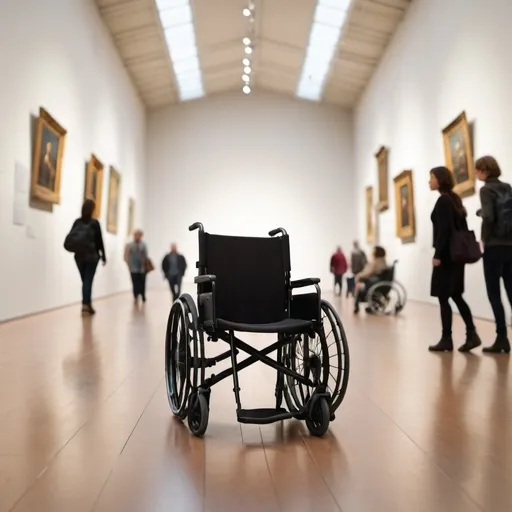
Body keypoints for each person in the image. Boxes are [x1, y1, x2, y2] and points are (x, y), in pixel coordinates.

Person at [428, 166, 481, 352]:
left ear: (440, 180)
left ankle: (447, 338)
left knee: (444, 297)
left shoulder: (443, 201)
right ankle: (471, 333)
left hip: (446, 257)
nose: (429, 181)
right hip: (456, 256)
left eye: (432, 177)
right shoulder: (455, 199)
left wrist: (437, 255)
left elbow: (445, 231)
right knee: (456, 295)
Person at [475, 155, 512, 353]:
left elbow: (489, 216)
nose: (475, 173)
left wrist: (484, 239)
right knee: (511, 290)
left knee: (494, 292)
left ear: (485, 171)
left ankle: (502, 338)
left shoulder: (486, 189)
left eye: (477, 169)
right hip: (510, 245)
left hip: (495, 246)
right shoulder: (508, 187)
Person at [71, 200, 106, 316]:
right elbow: (99, 241)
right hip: (91, 257)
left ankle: (88, 304)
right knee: (88, 281)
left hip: (79, 257)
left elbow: (71, 238)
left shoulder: (77, 222)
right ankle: (86, 305)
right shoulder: (95, 223)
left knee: (85, 281)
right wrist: (104, 256)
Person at [353, 246, 388, 314]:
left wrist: (359, 276)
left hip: (374, 284)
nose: (372, 253)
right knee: (359, 285)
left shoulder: (376, 262)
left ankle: (356, 305)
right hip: (377, 282)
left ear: (376, 252)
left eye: (373, 251)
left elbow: (369, 272)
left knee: (358, 287)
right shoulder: (382, 260)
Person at [124, 229, 148, 304]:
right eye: (136, 235)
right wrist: (129, 264)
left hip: (142, 268)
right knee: (135, 282)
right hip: (133, 268)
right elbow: (126, 256)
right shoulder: (129, 245)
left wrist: (145, 264)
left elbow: (146, 256)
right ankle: (136, 295)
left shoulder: (143, 245)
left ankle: (143, 295)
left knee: (142, 282)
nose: (138, 236)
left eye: (139, 235)